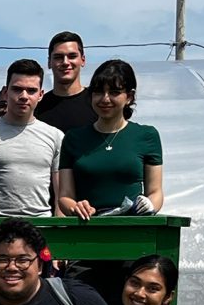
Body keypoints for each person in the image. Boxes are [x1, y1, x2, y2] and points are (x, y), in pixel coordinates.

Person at [57, 59, 163, 221]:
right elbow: (65, 196)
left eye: (114, 92)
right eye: (98, 92)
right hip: (87, 228)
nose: (105, 99)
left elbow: (156, 192)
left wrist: (149, 205)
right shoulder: (73, 138)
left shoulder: (146, 135)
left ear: (129, 97)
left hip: (134, 228)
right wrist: (75, 207)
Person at [0, 59, 62, 218]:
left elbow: (61, 198)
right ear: (6, 91)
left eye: (31, 90)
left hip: (40, 229)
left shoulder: (55, 136)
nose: (24, 96)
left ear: (41, 94)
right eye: (17, 89)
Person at [36, 31, 94, 133]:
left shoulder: (97, 103)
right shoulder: (36, 108)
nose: (65, 62)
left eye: (72, 56)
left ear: (83, 60)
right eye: (58, 57)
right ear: (49, 62)